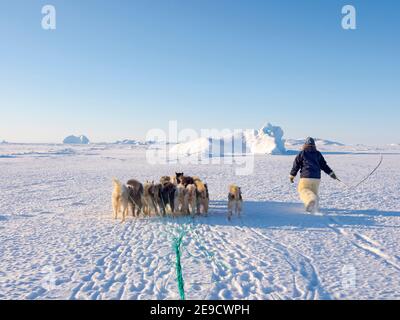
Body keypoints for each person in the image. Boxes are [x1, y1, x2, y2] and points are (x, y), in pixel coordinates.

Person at [289, 137, 338, 213]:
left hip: (306, 177)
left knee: (303, 190)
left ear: (305, 144)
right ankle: (314, 207)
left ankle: (310, 201)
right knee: (314, 192)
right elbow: (324, 165)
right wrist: (331, 173)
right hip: (316, 178)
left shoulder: (302, 153)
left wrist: (292, 175)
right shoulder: (318, 154)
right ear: (314, 145)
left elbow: (296, 165)